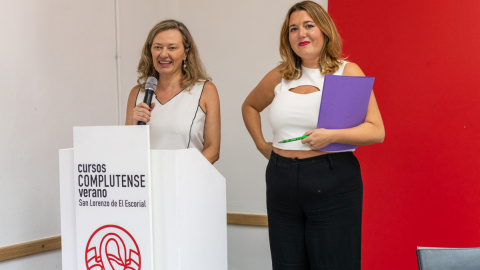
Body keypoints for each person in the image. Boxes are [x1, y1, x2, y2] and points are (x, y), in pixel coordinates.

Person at [242, 1, 385, 269]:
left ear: (325, 29)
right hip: (281, 179)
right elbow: (249, 106)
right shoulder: (280, 75)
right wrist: (262, 145)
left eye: (309, 25)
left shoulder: (346, 71)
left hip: (332, 178)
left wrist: (331, 136)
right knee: (287, 264)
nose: (301, 34)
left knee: (334, 263)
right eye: (293, 29)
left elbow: (376, 130)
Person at [126, 20, 220, 164]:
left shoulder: (205, 90)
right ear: (150, 51)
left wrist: (181, 174)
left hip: (187, 180)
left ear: (185, 53)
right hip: (149, 183)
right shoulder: (137, 93)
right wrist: (133, 124)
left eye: (172, 48)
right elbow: (126, 149)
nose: (163, 54)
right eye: (158, 47)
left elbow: (213, 150)